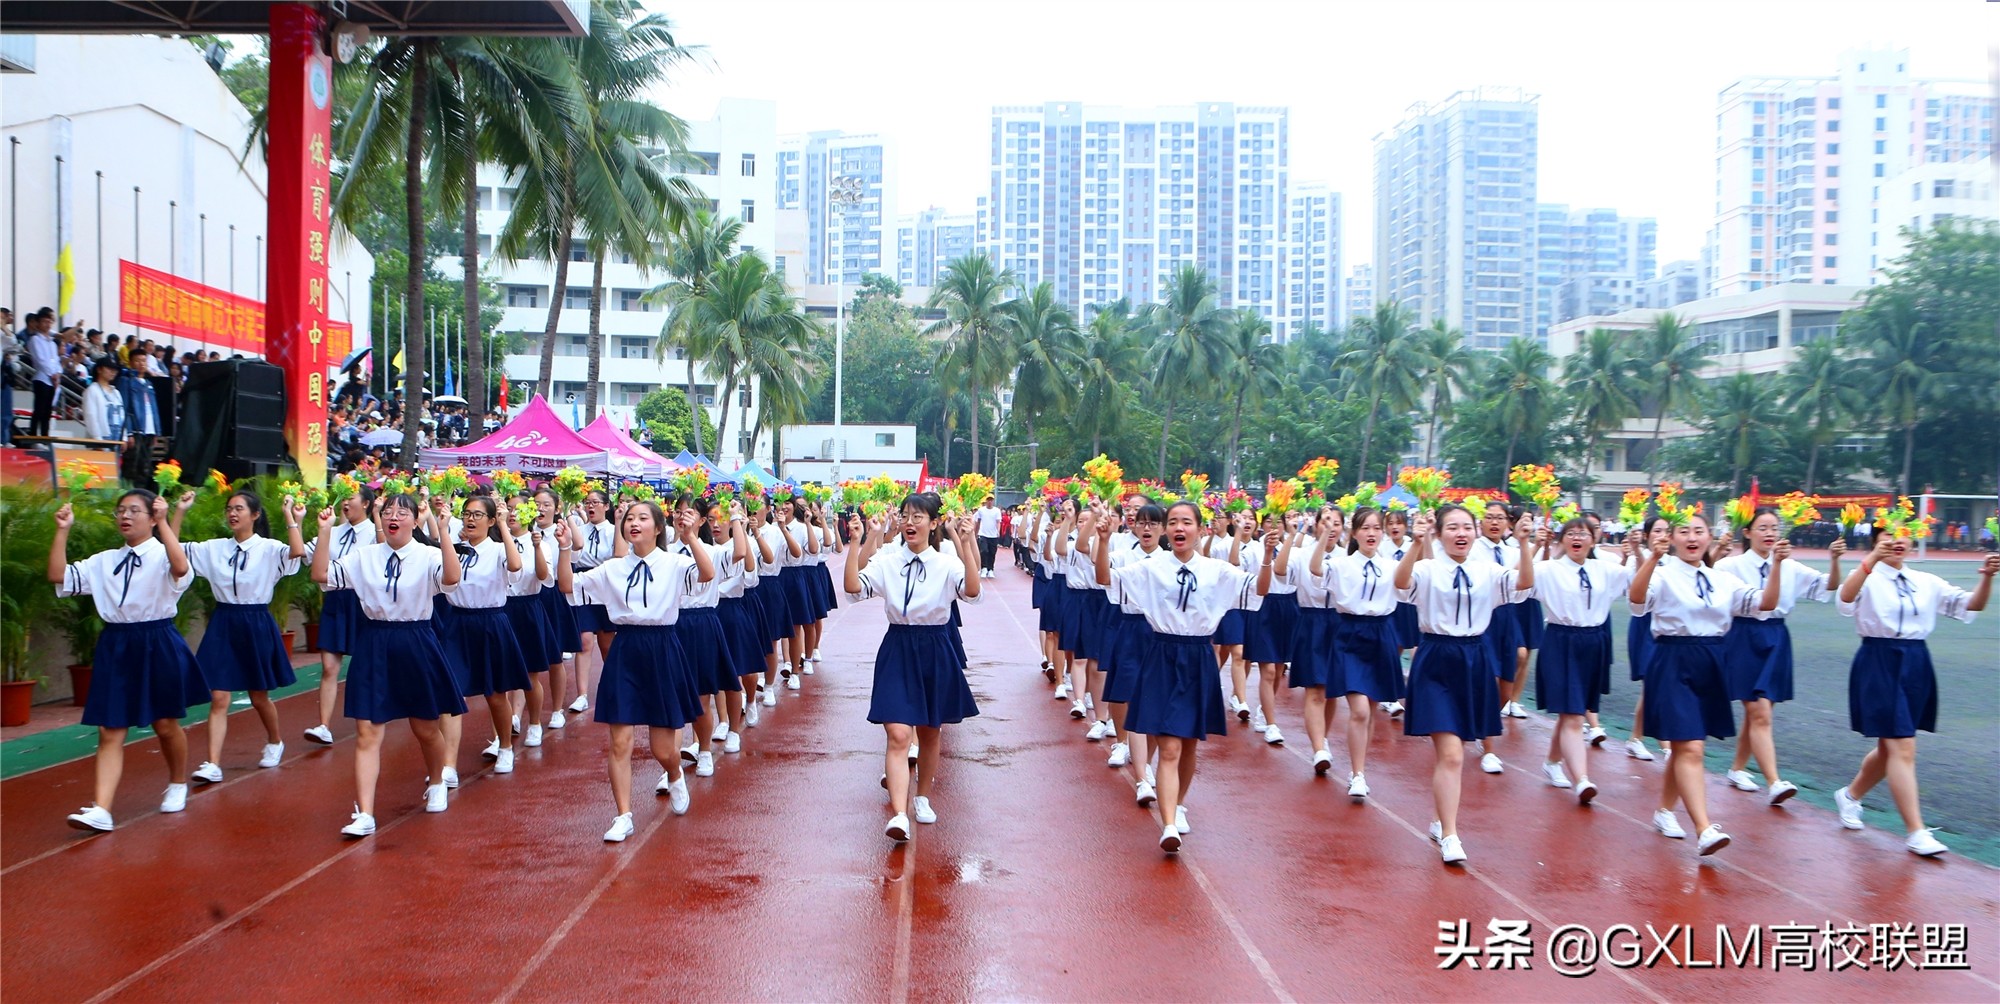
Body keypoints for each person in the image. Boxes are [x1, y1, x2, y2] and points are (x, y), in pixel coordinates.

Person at [1098, 500, 1268, 853]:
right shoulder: (1151, 567)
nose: (1179, 528)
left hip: (1198, 656)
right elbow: (1106, 580)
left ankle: (1177, 803)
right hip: (1161, 653)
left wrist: (1270, 555)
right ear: (1165, 529)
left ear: (1199, 529)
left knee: (1189, 743)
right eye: (1173, 521)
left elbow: (1258, 590)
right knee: (1170, 745)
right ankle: (1169, 824)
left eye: (1186, 522)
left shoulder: (1216, 570)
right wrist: (1102, 542)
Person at [555, 500, 715, 843]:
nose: (634, 523)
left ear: (658, 529)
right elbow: (569, 586)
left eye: (643, 518)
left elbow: (706, 575)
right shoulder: (612, 568)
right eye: (629, 518)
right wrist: (565, 547)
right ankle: (623, 815)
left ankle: (674, 773)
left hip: (662, 647)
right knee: (620, 742)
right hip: (625, 648)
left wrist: (691, 539)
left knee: (662, 749)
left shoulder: (673, 562)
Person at [310, 491, 467, 838]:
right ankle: (365, 812)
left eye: (403, 511)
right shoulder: (363, 556)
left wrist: (443, 531)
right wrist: (324, 531)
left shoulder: (427, 555)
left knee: (426, 727)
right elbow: (321, 575)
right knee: (367, 731)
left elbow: (452, 580)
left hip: (416, 639)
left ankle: (438, 779)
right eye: (388, 511)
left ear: (414, 520)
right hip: (375, 640)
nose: (394, 516)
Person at [1626, 512, 1783, 857]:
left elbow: (1767, 604)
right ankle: (1703, 827)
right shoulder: (1663, 575)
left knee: (1686, 746)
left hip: (1712, 661)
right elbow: (1637, 601)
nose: (1691, 537)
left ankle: (1665, 810)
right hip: (1672, 660)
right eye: (1683, 531)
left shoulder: (1722, 578)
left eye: (1699, 531)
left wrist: (1779, 566)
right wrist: (1652, 557)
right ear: (1673, 539)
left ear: (1710, 537)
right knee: (1691, 747)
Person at [50, 490, 206, 832]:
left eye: (135, 510)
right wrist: (62, 529)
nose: (125, 516)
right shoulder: (103, 560)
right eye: (121, 510)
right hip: (116, 644)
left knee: (164, 724)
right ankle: (102, 808)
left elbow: (181, 568)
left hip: (157, 640)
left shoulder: (165, 554)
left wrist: (167, 522)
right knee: (109, 728)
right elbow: (58, 576)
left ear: (152, 518)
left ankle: (178, 782)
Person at [1832, 537, 1997, 856]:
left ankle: (1850, 796)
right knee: (1902, 746)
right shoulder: (1866, 575)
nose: (1898, 542)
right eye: (1889, 537)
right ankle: (1916, 831)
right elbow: (1845, 600)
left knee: (1890, 746)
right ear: (1876, 543)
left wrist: (1987, 577)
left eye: (1905, 535)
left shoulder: (1926, 581)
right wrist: (1869, 562)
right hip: (1879, 660)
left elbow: (1971, 605)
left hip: (1916, 661)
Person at [1393, 505, 1537, 865]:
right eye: (1453, 527)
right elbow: (1399, 584)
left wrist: (1523, 544)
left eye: (1467, 527)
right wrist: (1415, 543)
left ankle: (1441, 819)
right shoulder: (1427, 568)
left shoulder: (1487, 570)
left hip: (1474, 657)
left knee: (1456, 751)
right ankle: (1452, 835)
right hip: (1436, 657)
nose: (1461, 533)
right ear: (1440, 534)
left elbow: (1523, 583)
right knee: (1452, 753)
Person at [843, 494, 982, 841]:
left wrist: (966, 543)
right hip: (899, 647)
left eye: (918, 517)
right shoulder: (888, 560)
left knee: (932, 731)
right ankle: (900, 814)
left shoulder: (946, 563)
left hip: (936, 647)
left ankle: (922, 797)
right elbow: (852, 587)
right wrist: (857, 541)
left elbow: (973, 592)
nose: (910, 522)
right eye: (906, 516)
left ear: (933, 523)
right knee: (899, 734)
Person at [173, 490, 307, 786]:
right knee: (218, 695)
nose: (232, 514)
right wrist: (179, 511)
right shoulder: (214, 548)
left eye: (239, 509)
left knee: (259, 695)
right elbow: (173, 549)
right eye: (229, 509)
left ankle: (274, 741)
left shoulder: (269, 548)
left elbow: (297, 552)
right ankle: (213, 763)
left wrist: (291, 516)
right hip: (224, 621)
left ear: (255, 515)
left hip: (256, 620)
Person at [1716, 507, 1843, 805]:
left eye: (1774, 527)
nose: (1770, 533)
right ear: (1747, 532)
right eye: (1762, 527)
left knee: (1759, 712)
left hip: (1776, 638)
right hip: (1743, 636)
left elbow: (1830, 585)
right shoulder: (1729, 566)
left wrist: (1835, 560)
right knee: (1759, 711)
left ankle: (1737, 769)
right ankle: (1774, 781)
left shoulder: (1791, 566)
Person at [1529, 516, 1635, 805]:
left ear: (1594, 539)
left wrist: (1636, 552)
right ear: (1562, 539)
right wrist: (1534, 547)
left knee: (1571, 710)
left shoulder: (1607, 569)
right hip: (1561, 640)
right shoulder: (1548, 569)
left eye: (1584, 534)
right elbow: (1518, 583)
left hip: (1594, 642)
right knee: (1574, 715)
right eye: (1571, 533)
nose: (1578, 538)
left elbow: (1638, 587)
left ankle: (1552, 761)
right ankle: (1583, 780)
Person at [438, 495, 529, 780]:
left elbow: (515, 567)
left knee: (495, 693)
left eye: (478, 515)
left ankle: (504, 747)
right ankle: (448, 765)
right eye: (467, 513)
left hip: (491, 622)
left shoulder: (500, 549)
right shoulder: (456, 549)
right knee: (449, 693)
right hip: (458, 623)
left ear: (490, 520)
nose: (470, 519)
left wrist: (503, 526)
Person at [303, 484, 378, 746]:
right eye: (343, 498)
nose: (345, 503)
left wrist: (380, 518)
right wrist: (294, 518)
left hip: (362, 601)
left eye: (351, 498)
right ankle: (323, 725)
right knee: (329, 667)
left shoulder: (374, 531)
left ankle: (371, 715)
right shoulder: (332, 531)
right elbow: (302, 554)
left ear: (366, 503)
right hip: (335, 599)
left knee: (366, 666)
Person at [26, 308, 60, 438]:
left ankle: (45, 434)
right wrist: (52, 374)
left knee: (47, 410)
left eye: (49, 322)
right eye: (45, 321)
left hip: (52, 379)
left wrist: (57, 373)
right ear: (38, 323)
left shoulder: (52, 342)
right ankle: (33, 433)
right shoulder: (35, 340)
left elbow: (55, 360)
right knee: (39, 408)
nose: (47, 324)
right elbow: (40, 360)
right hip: (41, 378)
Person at [81, 356, 128, 444]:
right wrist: (97, 439)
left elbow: (122, 416)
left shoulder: (116, 392)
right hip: (100, 440)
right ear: (99, 369)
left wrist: (124, 437)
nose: (113, 372)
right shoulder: (92, 390)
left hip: (117, 439)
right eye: (109, 368)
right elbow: (91, 417)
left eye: (115, 370)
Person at [974, 495, 1002, 579]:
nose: (990, 501)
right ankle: (984, 568)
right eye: (988, 500)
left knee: (992, 552)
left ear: (993, 501)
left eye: (991, 500)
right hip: (983, 534)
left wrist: (998, 531)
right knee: (984, 551)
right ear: (986, 501)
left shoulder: (996, 511)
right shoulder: (981, 510)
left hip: (993, 535)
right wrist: (976, 532)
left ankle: (991, 569)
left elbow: (998, 522)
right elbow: (978, 522)